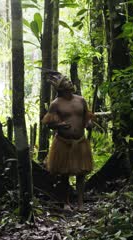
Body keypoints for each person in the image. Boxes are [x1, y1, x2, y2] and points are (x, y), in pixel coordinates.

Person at [42, 74, 94, 210]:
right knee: (64, 174)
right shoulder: (56, 104)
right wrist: (60, 126)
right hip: (63, 142)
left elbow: (86, 117)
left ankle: (80, 203)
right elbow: (49, 124)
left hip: (80, 141)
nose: (70, 82)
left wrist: (88, 123)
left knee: (81, 173)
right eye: (66, 81)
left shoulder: (81, 100)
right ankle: (66, 203)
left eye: (69, 80)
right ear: (60, 87)